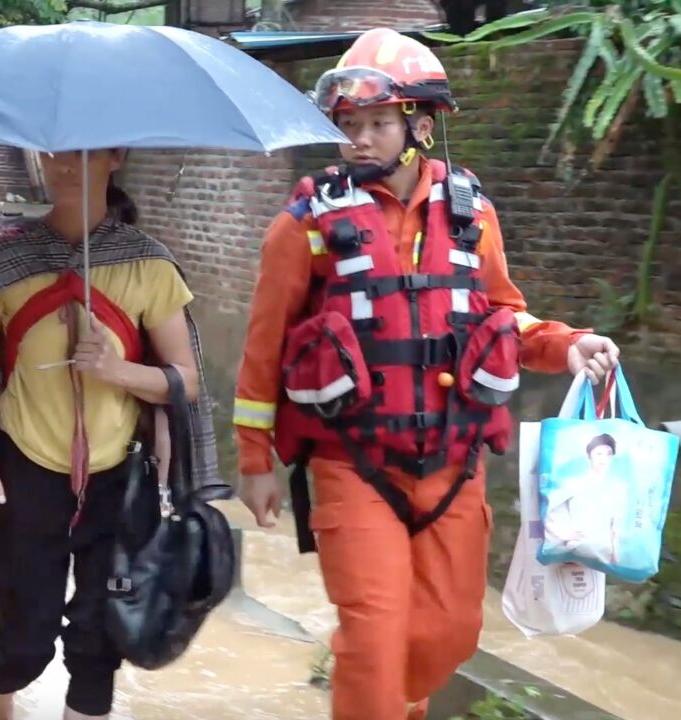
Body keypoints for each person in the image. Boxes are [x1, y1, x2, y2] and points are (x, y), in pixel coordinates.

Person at [230, 28, 620, 720]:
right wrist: (255, 460)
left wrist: (570, 346)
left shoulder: (472, 212)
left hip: (454, 461)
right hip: (352, 463)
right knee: (373, 640)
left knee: (448, 635)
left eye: (378, 123)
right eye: (349, 124)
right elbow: (266, 348)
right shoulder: (306, 223)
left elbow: (505, 316)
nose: (360, 138)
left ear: (420, 124)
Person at [0, 148, 218, 720]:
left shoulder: (149, 265)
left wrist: (115, 370)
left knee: (99, 640)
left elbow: (186, 381)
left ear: (115, 157)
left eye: (84, 152)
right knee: (23, 634)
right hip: (26, 467)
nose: (65, 164)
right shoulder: (5, 257)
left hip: (119, 476)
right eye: (54, 152)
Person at [543, 433, 622, 564]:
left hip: (604, 554)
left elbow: (616, 525)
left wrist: (615, 551)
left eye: (608, 453)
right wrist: (562, 535)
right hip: (576, 549)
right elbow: (547, 509)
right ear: (589, 456)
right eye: (599, 453)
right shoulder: (575, 484)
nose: (603, 458)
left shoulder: (615, 488)